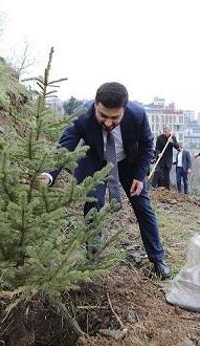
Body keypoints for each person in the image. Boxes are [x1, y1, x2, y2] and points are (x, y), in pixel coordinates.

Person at [40, 82, 171, 279]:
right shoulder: (82, 115)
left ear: (124, 111)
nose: (108, 123)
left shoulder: (137, 114)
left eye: (115, 118)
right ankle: (93, 259)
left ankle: (158, 259)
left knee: (143, 207)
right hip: (96, 161)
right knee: (93, 205)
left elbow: (147, 144)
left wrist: (140, 176)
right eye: (103, 116)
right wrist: (49, 175)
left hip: (129, 162)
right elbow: (65, 145)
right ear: (95, 105)